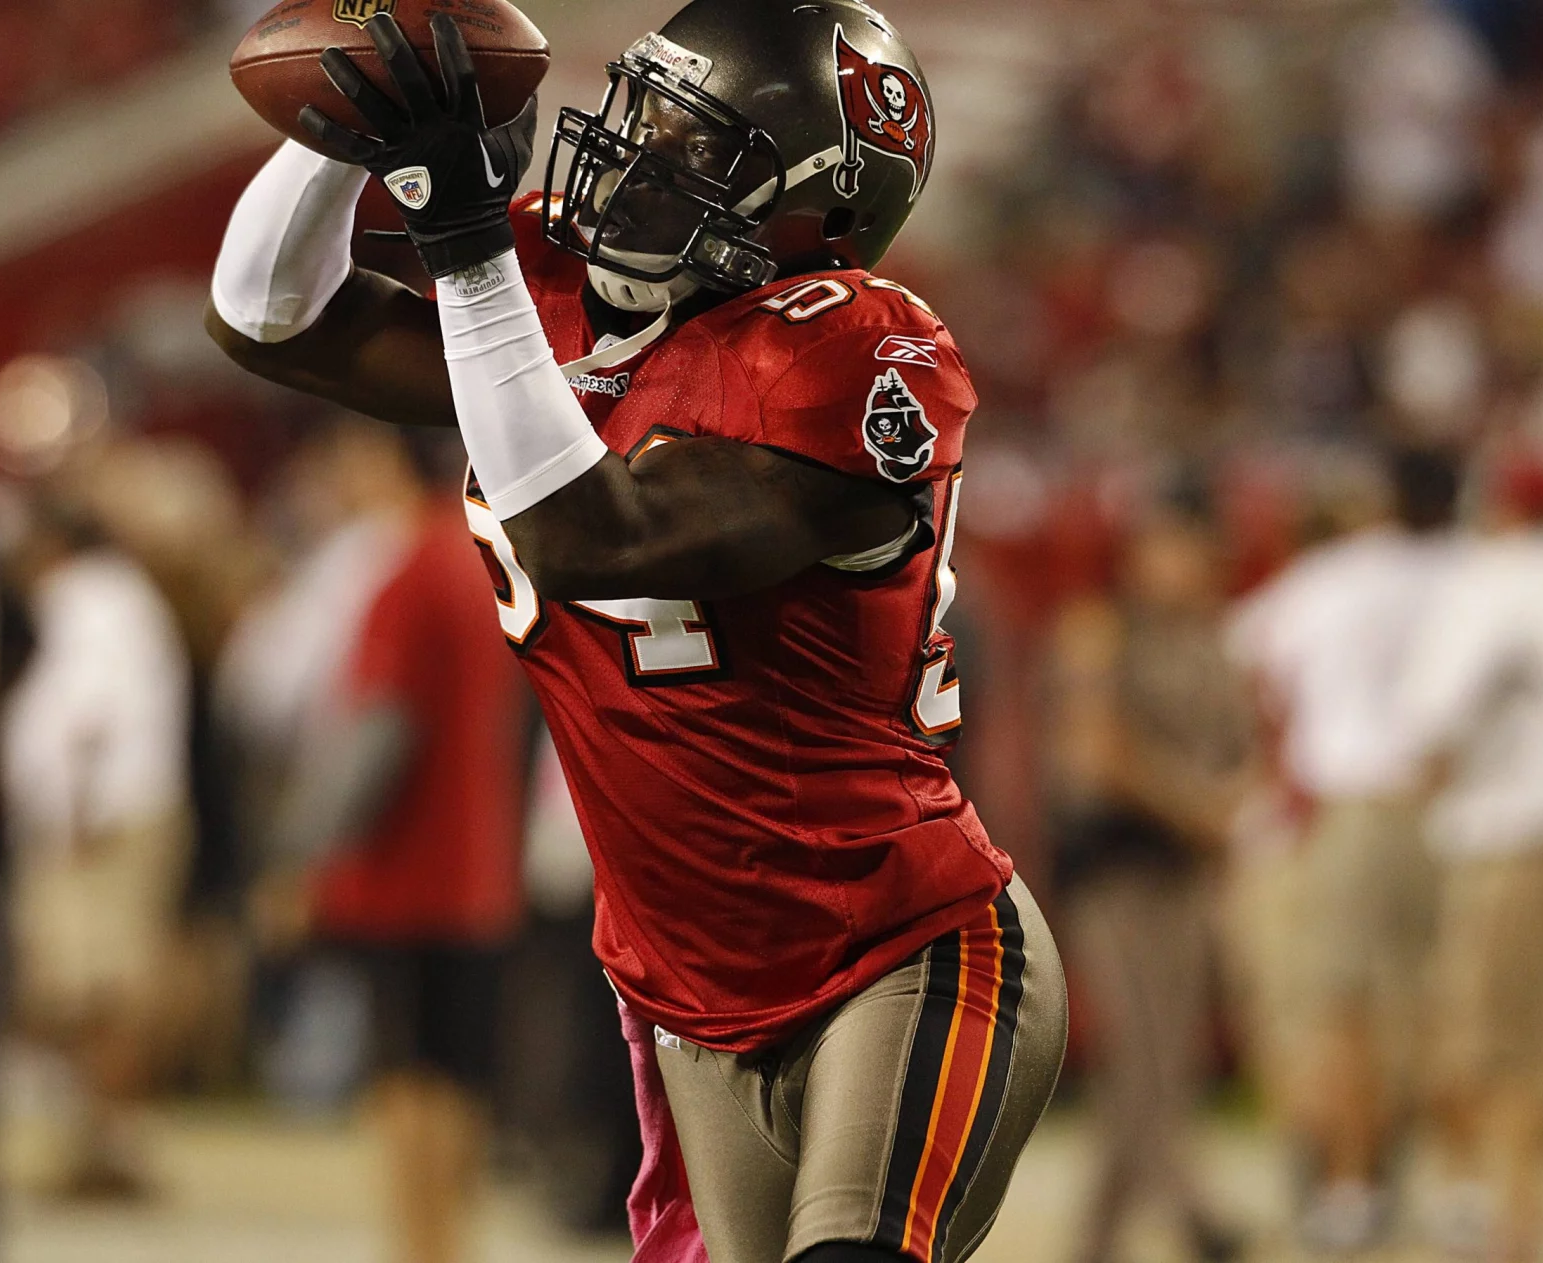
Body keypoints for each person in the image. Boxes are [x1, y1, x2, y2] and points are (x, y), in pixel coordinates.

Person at [207, 4, 1069, 1262]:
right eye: (648, 108)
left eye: (697, 141)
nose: (638, 151)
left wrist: (464, 253)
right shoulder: (554, 297)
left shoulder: (859, 348)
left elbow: (592, 537)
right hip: (686, 987)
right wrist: (354, 124)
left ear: (813, 210)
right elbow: (263, 317)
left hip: (900, 946)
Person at [254, 423, 526, 1263]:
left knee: (404, 1077)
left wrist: (302, 854)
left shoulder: (404, 574)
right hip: (480, 864)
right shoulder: (481, 564)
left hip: (404, 871)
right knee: (459, 1072)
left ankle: (420, 1248)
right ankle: (452, 1241)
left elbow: (377, 734)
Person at [1225, 446, 1459, 1252]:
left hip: (1344, 807)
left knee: (1339, 1009)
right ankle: (1452, 1180)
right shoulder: (1460, 571)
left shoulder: (1320, 585)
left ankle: (1349, 1184)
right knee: (1430, 1001)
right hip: (1444, 810)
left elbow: (1261, 685)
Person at [1049, 480, 1251, 1263]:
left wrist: (1229, 805)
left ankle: (1098, 1241)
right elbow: (1097, 751)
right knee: (1141, 1052)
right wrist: (1199, 806)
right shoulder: (1100, 629)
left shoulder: (1207, 637)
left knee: (1166, 1059)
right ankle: (1194, 1210)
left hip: (1186, 875)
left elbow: (1241, 749)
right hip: (1117, 872)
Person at [1397, 448, 1543, 1263]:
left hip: (1515, 839)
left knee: (1495, 1045)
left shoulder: (1495, 580)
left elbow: (1436, 715)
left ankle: (1516, 1221)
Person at [0, 495, 192, 1198]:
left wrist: (78, 806)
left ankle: (110, 1146)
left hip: (100, 826)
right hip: (113, 818)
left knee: (102, 993)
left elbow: (94, 714)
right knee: (92, 994)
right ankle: (100, 1144)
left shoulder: (93, 597)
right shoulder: (114, 598)